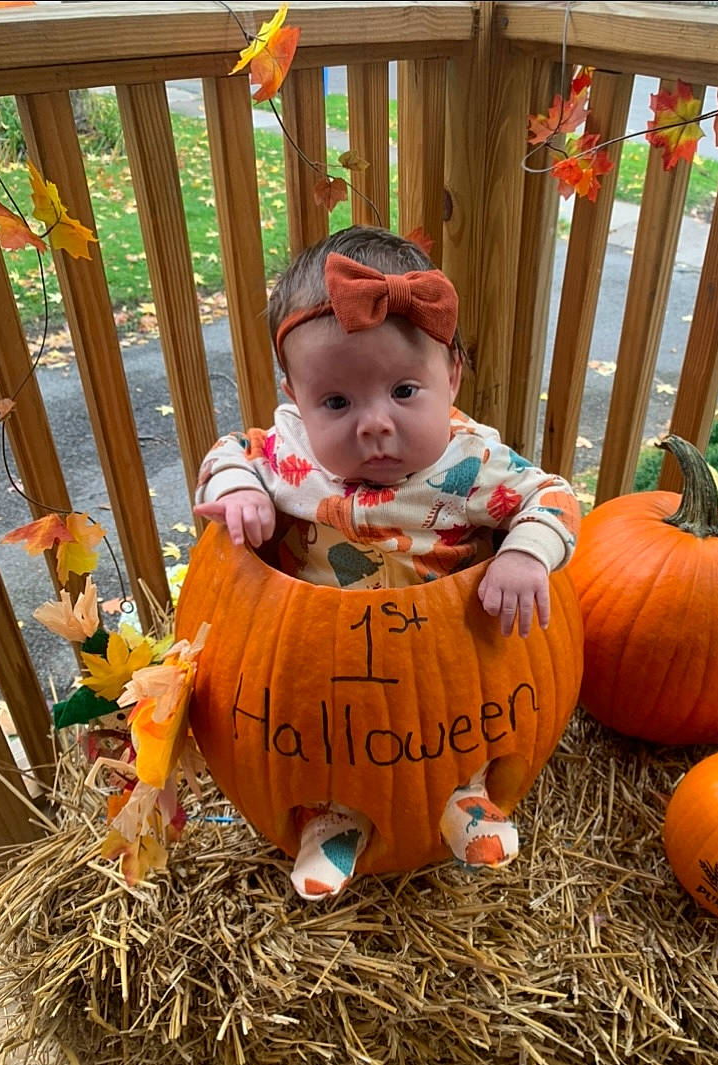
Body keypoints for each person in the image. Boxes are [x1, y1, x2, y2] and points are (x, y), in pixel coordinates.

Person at [194, 225, 580, 900]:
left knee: (453, 741)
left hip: (447, 665)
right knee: (322, 756)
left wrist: (524, 552)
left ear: (451, 373)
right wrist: (238, 488)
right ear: (294, 396)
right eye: (336, 402)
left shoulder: (470, 465)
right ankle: (330, 822)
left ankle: (467, 798)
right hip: (312, 668)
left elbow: (554, 497)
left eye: (404, 391)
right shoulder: (290, 453)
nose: (374, 423)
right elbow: (230, 450)